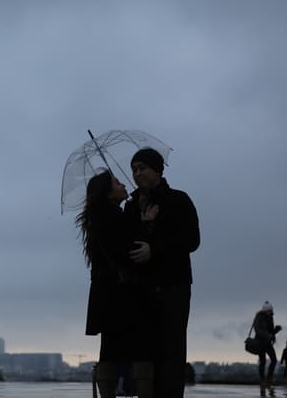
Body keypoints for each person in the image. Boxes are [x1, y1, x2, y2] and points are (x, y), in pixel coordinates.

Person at [123, 147, 200, 398]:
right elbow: (129, 245)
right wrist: (145, 227)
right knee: (148, 351)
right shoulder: (131, 206)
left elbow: (192, 240)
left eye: (142, 167)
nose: (136, 173)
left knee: (172, 351)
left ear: (157, 169)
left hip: (173, 285)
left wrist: (154, 249)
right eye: (134, 169)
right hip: (143, 288)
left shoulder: (179, 200)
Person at [78, 169, 158, 398]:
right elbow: (128, 252)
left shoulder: (102, 217)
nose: (123, 184)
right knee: (141, 349)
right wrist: (146, 224)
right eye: (116, 182)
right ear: (108, 193)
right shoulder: (111, 218)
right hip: (123, 294)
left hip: (108, 295)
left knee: (110, 350)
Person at [254, 301, 282, 394]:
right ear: (266, 311)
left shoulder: (270, 317)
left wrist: (275, 331)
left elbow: (270, 331)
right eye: (270, 311)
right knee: (263, 361)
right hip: (261, 342)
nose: (271, 312)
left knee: (273, 360)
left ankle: (268, 380)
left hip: (267, 342)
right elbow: (258, 331)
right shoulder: (259, 318)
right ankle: (263, 381)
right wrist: (269, 335)